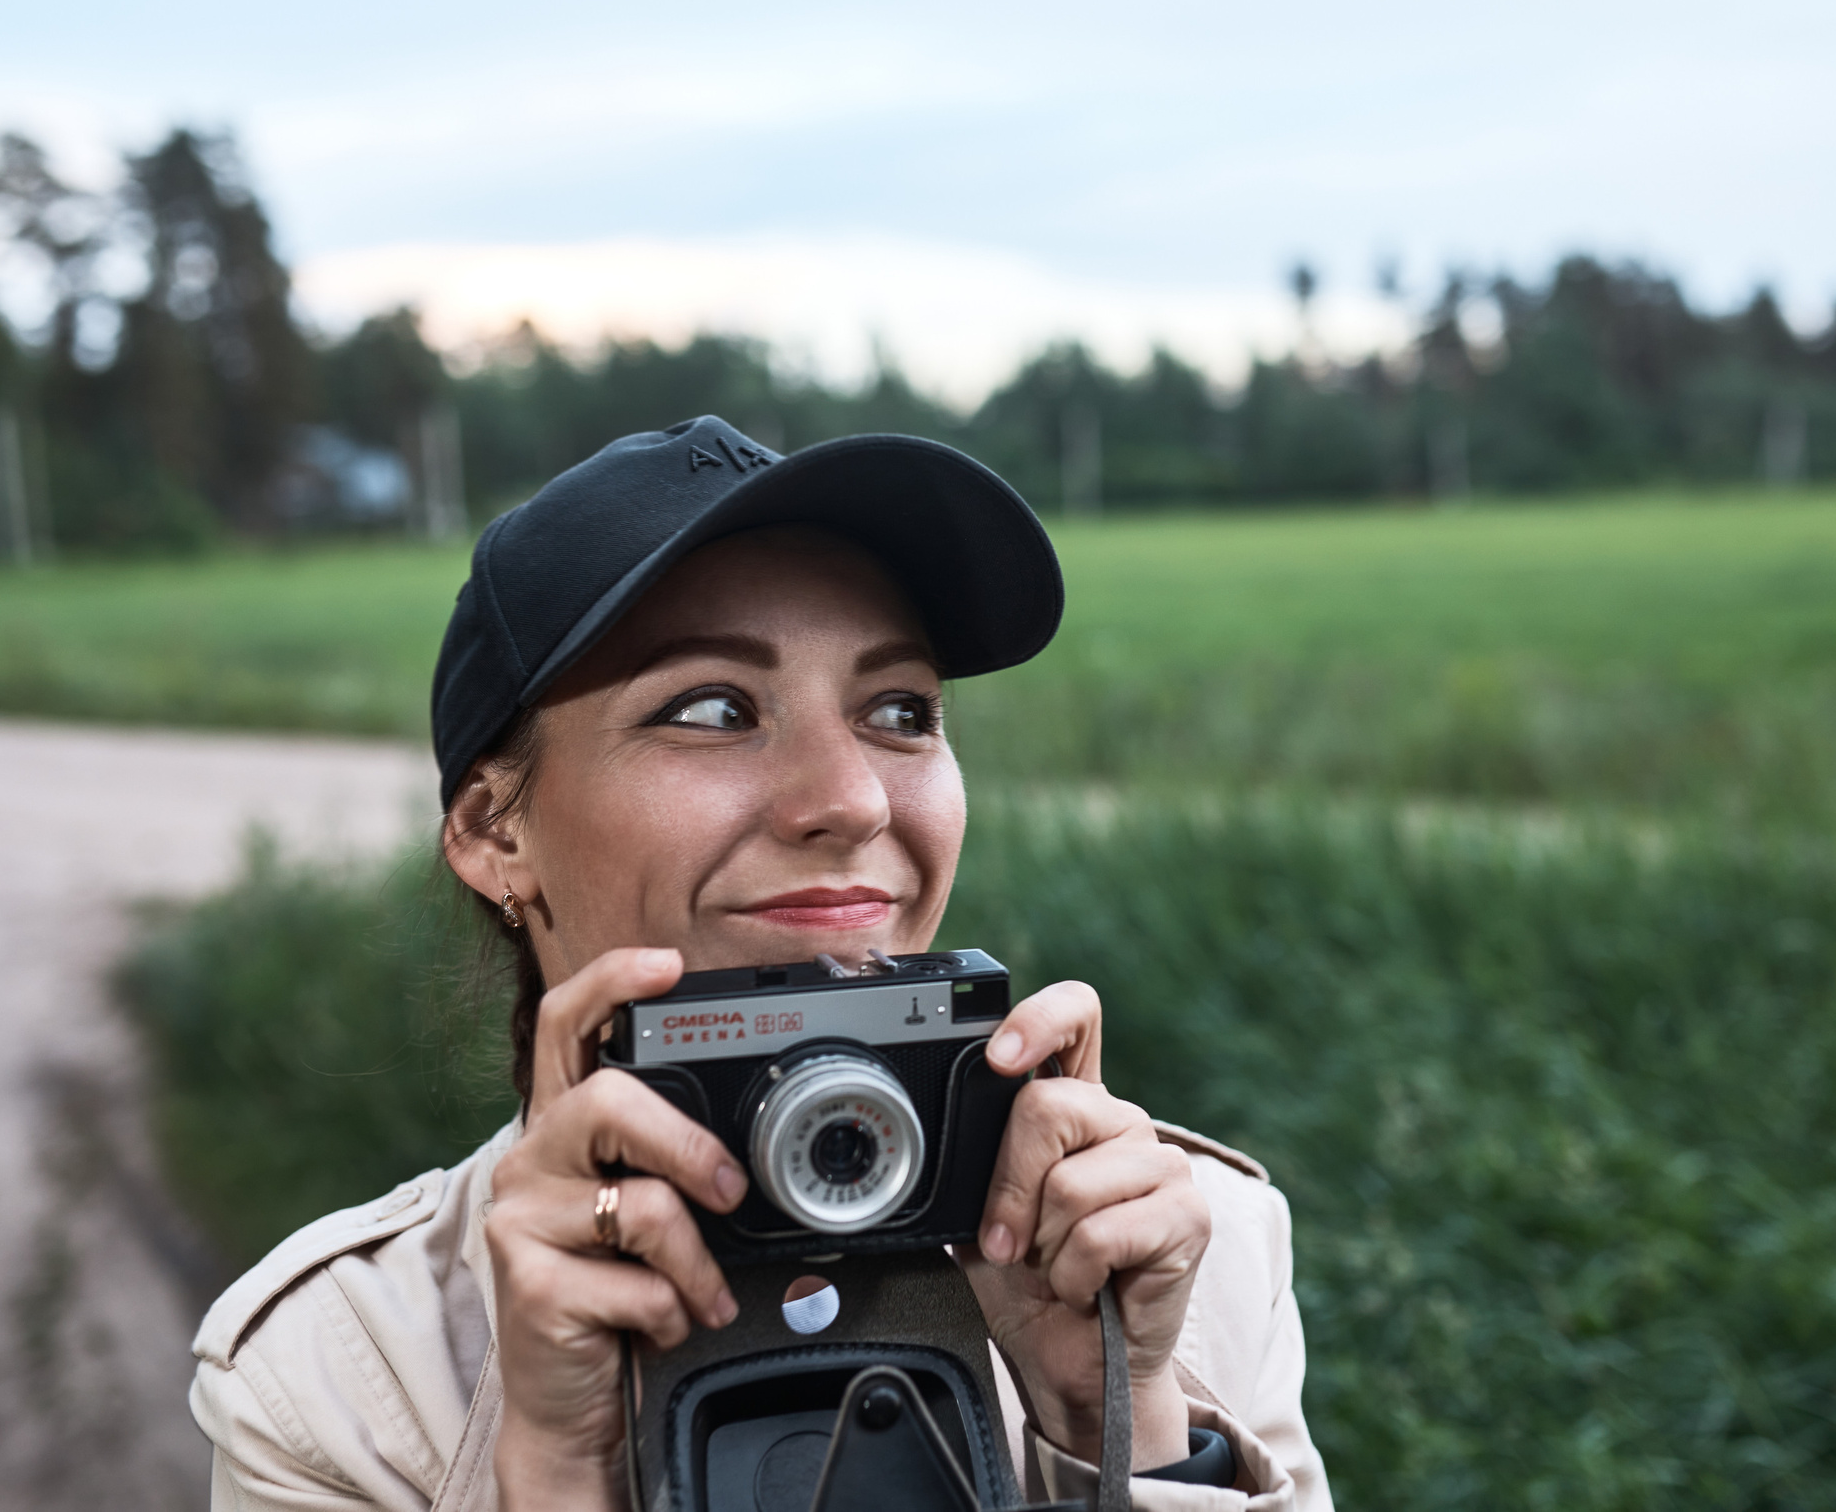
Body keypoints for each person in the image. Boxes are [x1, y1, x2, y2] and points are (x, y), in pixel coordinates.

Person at [188, 418, 1330, 1511]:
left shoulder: (1190, 1249)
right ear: (496, 831)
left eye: (899, 709)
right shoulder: (338, 1380)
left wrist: (1114, 1416)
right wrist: (552, 1468)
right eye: (712, 708)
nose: (851, 799)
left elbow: (1134, 1391)